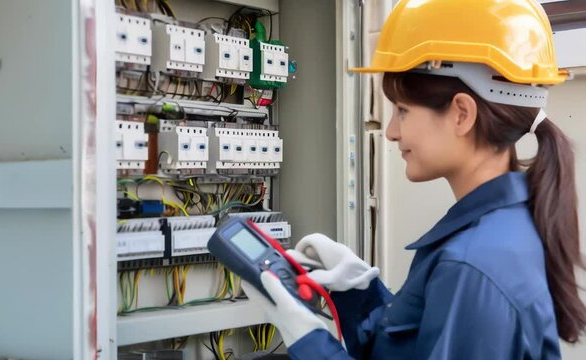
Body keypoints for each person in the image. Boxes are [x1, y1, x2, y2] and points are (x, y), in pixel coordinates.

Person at [241, 0, 586, 358]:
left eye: (402, 110)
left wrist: (310, 342)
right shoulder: (499, 233)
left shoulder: (472, 265)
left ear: (461, 114)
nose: (390, 131)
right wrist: (360, 292)